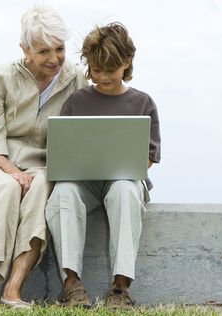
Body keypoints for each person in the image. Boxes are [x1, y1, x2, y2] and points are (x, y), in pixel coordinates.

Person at [0, 5, 86, 307]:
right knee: (7, 187)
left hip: (43, 167)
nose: (54, 59)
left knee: (42, 185)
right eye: (44, 51)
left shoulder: (75, 78)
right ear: (25, 49)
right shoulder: (1, 77)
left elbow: (84, 130)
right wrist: (12, 171)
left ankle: (13, 289)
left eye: (59, 49)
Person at [45, 22, 161, 309]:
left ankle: (120, 288)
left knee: (124, 189)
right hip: (84, 185)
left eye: (110, 70)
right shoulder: (76, 101)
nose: (102, 76)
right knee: (64, 191)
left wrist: (119, 164)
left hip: (124, 183)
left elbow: (147, 159)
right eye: (96, 70)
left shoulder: (143, 103)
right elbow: (62, 152)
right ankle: (71, 284)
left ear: (126, 63)